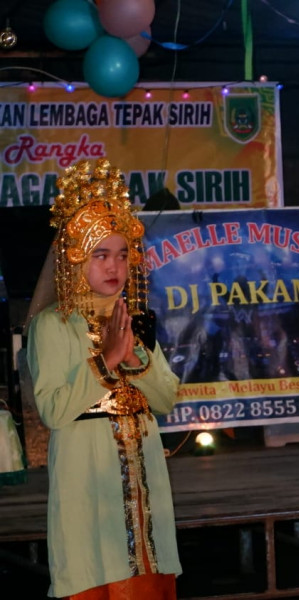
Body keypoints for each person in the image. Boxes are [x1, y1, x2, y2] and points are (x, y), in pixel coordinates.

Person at [26, 159, 181, 598]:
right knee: (96, 572)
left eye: (120, 253)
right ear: (75, 258)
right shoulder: (53, 325)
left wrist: (133, 357)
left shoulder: (133, 319)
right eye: (100, 254)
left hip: (144, 475)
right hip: (87, 478)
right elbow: (53, 409)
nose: (113, 266)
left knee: (148, 575)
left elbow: (167, 398)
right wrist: (106, 361)